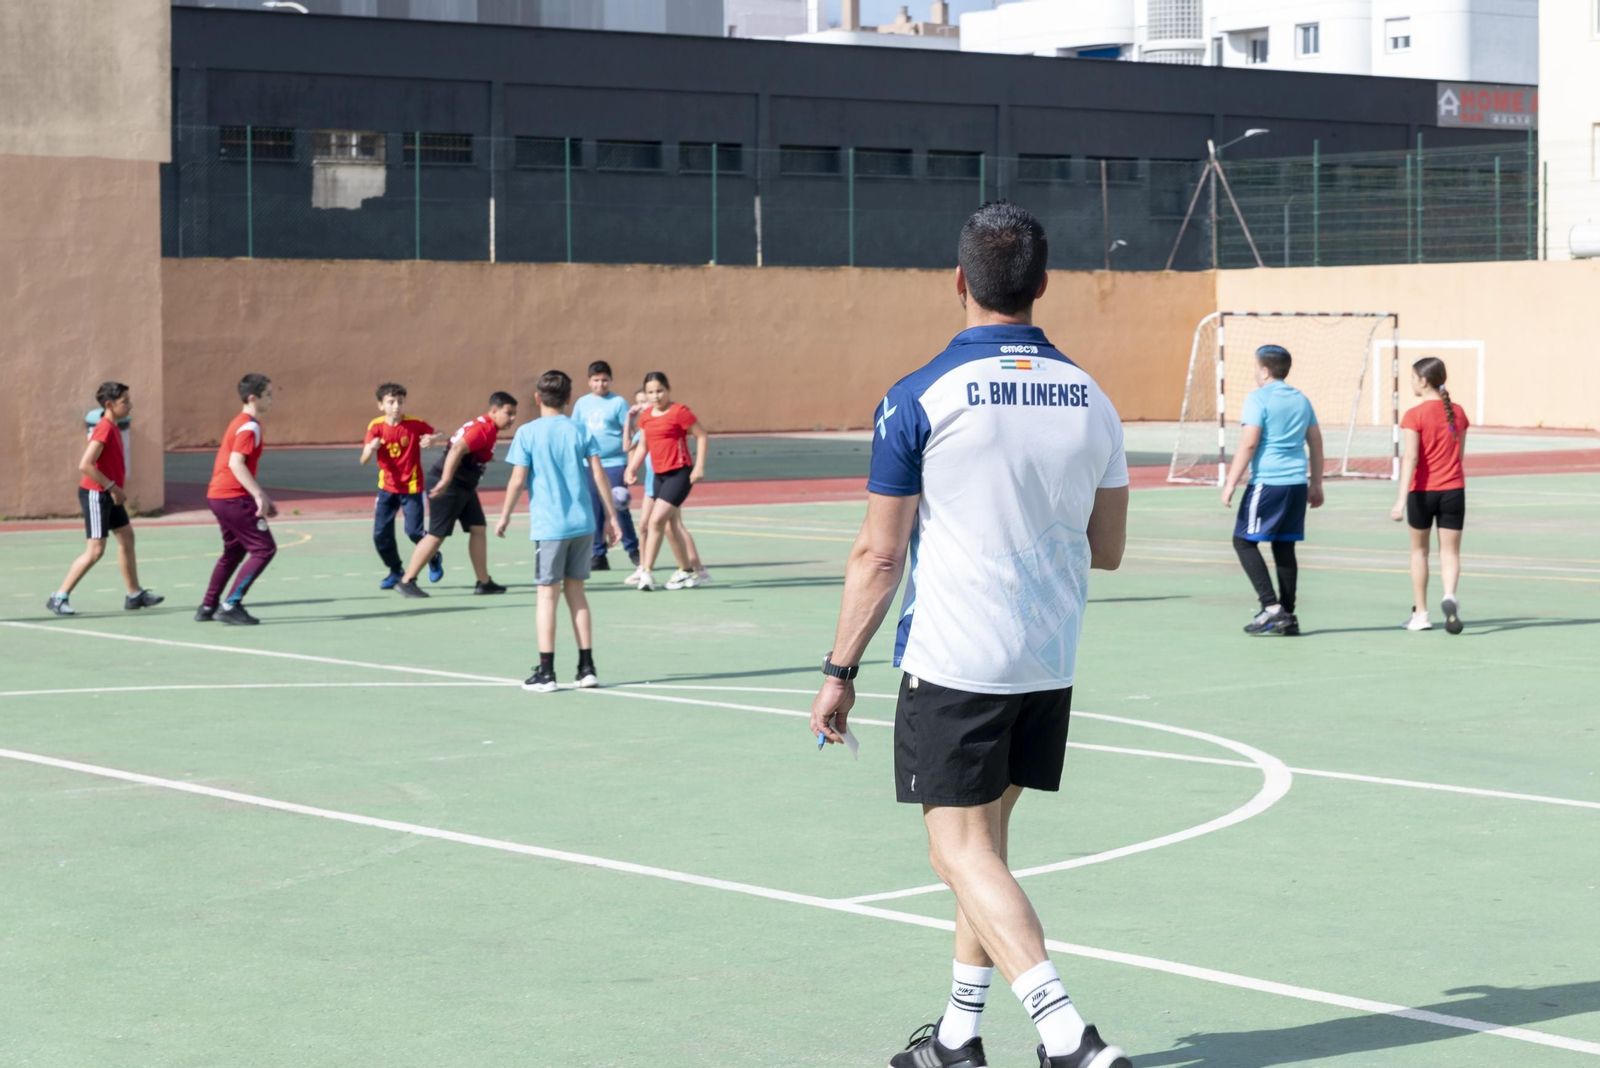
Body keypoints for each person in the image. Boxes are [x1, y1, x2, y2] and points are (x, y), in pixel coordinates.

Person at [809, 203, 1132, 1068]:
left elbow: (879, 555)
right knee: (983, 852)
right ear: (1043, 284)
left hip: (956, 659)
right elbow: (1107, 550)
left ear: (958, 281)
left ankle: (1068, 1039)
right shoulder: (1094, 400)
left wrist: (839, 669)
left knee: (957, 851)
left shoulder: (919, 395)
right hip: (1047, 658)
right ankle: (958, 1036)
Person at [495, 370, 623, 692]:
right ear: (569, 398)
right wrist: (611, 517)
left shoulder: (527, 432)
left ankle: (547, 672)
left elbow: (517, 480)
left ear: (537, 398)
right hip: (583, 524)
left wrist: (504, 515)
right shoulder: (579, 429)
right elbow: (599, 475)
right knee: (577, 594)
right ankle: (586, 669)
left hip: (550, 527)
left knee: (546, 596)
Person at [1220, 345, 1324, 637]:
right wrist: (1316, 483)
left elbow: (1249, 442)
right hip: (1296, 484)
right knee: (1284, 546)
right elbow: (1316, 442)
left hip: (1268, 483)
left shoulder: (1258, 398)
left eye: (1256, 367)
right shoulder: (1301, 399)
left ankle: (1271, 607)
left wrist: (1230, 482)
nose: (1255, 372)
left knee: (1243, 541)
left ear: (1264, 371)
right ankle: (1288, 615)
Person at [46, 382, 164, 616]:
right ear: (109, 404)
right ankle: (59, 597)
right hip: (96, 494)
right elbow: (85, 465)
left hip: (108, 493)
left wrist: (114, 489)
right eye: (125, 401)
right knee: (95, 551)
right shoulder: (104, 428)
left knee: (127, 537)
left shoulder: (114, 426)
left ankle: (134, 594)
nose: (130, 405)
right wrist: (112, 487)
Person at [394, 392, 517, 599]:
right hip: (451, 485)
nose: (512, 418)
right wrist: (445, 480)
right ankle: (406, 581)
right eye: (509, 413)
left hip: (464, 486)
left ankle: (484, 582)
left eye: (514, 414)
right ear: (494, 411)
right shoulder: (484, 428)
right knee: (436, 534)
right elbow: (457, 449)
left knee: (478, 528)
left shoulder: (487, 426)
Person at [1391, 357, 1470, 633]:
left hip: (1423, 492)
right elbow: (1459, 456)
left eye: (1413, 378)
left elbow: (1411, 457)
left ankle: (1421, 614)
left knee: (1419, 552)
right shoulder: (1458, 413)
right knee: (1450, 552)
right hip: (1453, 490)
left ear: (1423, 381)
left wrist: (1401, 500)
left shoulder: (1414, 415)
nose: (1412, 383)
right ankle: (1449, 594)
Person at [197, 373, 278, 626]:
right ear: (253, 398)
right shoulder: (249, 426)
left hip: (219, 496)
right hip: (233, 497)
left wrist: (261, 495)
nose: (272, 399)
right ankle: (230, 604)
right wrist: (258, 495)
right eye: (268, 394)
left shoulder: (240, 422)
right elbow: (236, 463)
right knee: (264, 549)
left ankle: (208, 605)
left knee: (234, 551)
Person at [623, 372, 708, 592]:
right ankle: (687, 571)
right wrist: (632, 468)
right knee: (670, 526)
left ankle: (647, 572)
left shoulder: (680, 412)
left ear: (668, 389)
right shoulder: (646, 416)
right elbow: (643, 445)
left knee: (655, 521)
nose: (656, 396)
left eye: (659, 391)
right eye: (651, 392)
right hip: (659, 476)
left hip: (679, 473)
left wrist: (699, 466)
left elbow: (701, 435)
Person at [359, 382, 442, 589]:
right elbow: (364, 460)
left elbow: (439, 434)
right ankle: (396, 570)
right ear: (381, 405)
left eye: (400, 402)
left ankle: (433, 556)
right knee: (380, 535)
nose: (396, 406)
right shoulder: (375, 427)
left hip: (412, 488)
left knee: (414, 532)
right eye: (391, 402)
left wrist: (433, 438)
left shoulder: (414, 424)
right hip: (386, 489)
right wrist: (371, 449)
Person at [571, 360, 640, 572]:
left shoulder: (618, 403)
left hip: (615, 463)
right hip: (589, 464)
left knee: (619, 507)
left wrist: (631, 466)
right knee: (594, 509)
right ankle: (598, 554)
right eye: (596, 380)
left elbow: (630, 433)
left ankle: (634, 550)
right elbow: (575, 432)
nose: (600, 384)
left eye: (604, 380)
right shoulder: (581, 404)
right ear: (588, 381)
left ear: (610, 380)